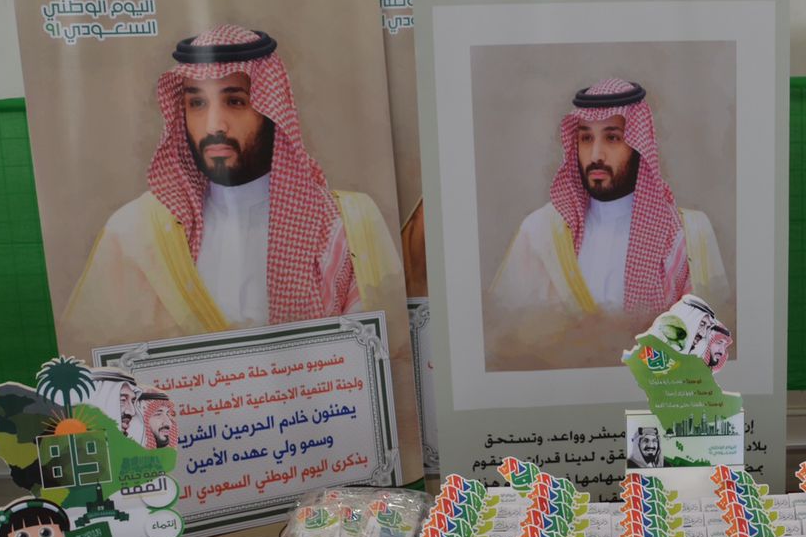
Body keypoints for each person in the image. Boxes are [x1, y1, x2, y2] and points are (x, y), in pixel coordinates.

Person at [61, 25, 405, 348]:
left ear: (272, 112)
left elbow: (384, 355)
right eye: (197, 103)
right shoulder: (134, 233)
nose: (215, 125)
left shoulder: (348, 225)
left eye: (235, 102)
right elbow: (96, 360)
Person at [488, 79, 727, 321]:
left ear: (638, 147)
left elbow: (706, 334)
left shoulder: (686, 236)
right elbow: (504, 330)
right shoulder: (540, 233)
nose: (596, 155)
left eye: (612, 138)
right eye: (586, 138)